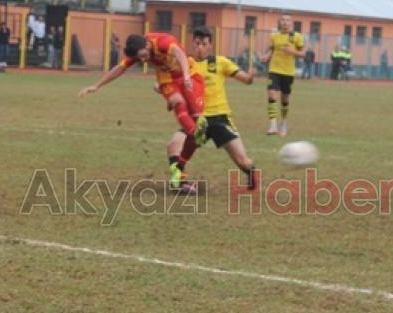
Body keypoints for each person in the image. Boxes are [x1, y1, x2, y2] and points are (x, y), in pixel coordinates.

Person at [166, 27, 258, 193]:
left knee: (243, 161)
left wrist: (250, 77)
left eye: (204, 43)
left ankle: (252, 174)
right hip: (195, 118)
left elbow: (245, 80)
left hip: (219, 118)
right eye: (197, 43)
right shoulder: (185, 64)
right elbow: (173, 87)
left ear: (210, 45)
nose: (200, 47)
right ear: (193, 44)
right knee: (173, 145)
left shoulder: (220, 62)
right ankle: (178, 182)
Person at [79, 32, 207, 144]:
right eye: (139, 58)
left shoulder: (163, 42)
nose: (142, 60)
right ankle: (195, 134)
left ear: (147, 45)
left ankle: (172, 96)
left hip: (188, 71)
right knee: (177, 102)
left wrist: (185, 77)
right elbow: (119, 68)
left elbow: (181, 55)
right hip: (166, 76)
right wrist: (96, 86)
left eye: (143, 55)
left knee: (196, 113)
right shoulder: (138, 50)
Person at [260, 14, 305, 137]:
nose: (285, 22)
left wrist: (292, 52)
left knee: (284, 99)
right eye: (283, 20)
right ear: (279, 22)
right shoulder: (274, 36)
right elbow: (271, 50)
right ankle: (272, 124)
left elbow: (303, 53)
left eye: (288, 20)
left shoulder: (296, 36)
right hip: (274, 70)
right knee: (271, 93)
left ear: (291, 23)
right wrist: (266, 56)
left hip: (288, 72)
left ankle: (283, 122)